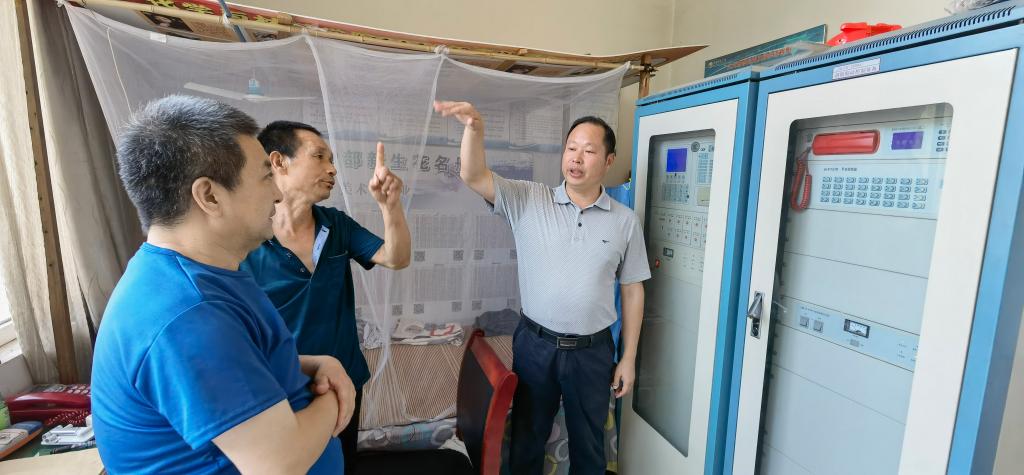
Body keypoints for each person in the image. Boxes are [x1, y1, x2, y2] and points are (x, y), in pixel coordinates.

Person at [92, 96, 353, 474]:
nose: (278, 194)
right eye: (265, 177)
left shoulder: (196, 276)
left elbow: (235, 366)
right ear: (210, 196)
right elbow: (278, 465)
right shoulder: (189, 315)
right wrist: (335, 395)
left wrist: (317, 364)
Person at [434, 100, 650, 474]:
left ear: (608, 161)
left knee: (590, 446)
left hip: (593, 352)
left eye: (589, 151)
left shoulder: (625, 221)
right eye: (571, 148)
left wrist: (628, 358)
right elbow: (473, 175)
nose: (576, 158)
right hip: (536, 346)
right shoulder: (529, 199)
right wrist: (474, 128)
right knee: (527, 440)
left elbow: (632, 289)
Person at [240, 121, 411, 472]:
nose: (332, 168)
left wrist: (390, 206)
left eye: (331, 159)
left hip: (342, 383)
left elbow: (396, 257)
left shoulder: (336, 225)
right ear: (278, 162)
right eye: (319, 156)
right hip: (279, 386)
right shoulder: (248, 239)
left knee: (341, 465)